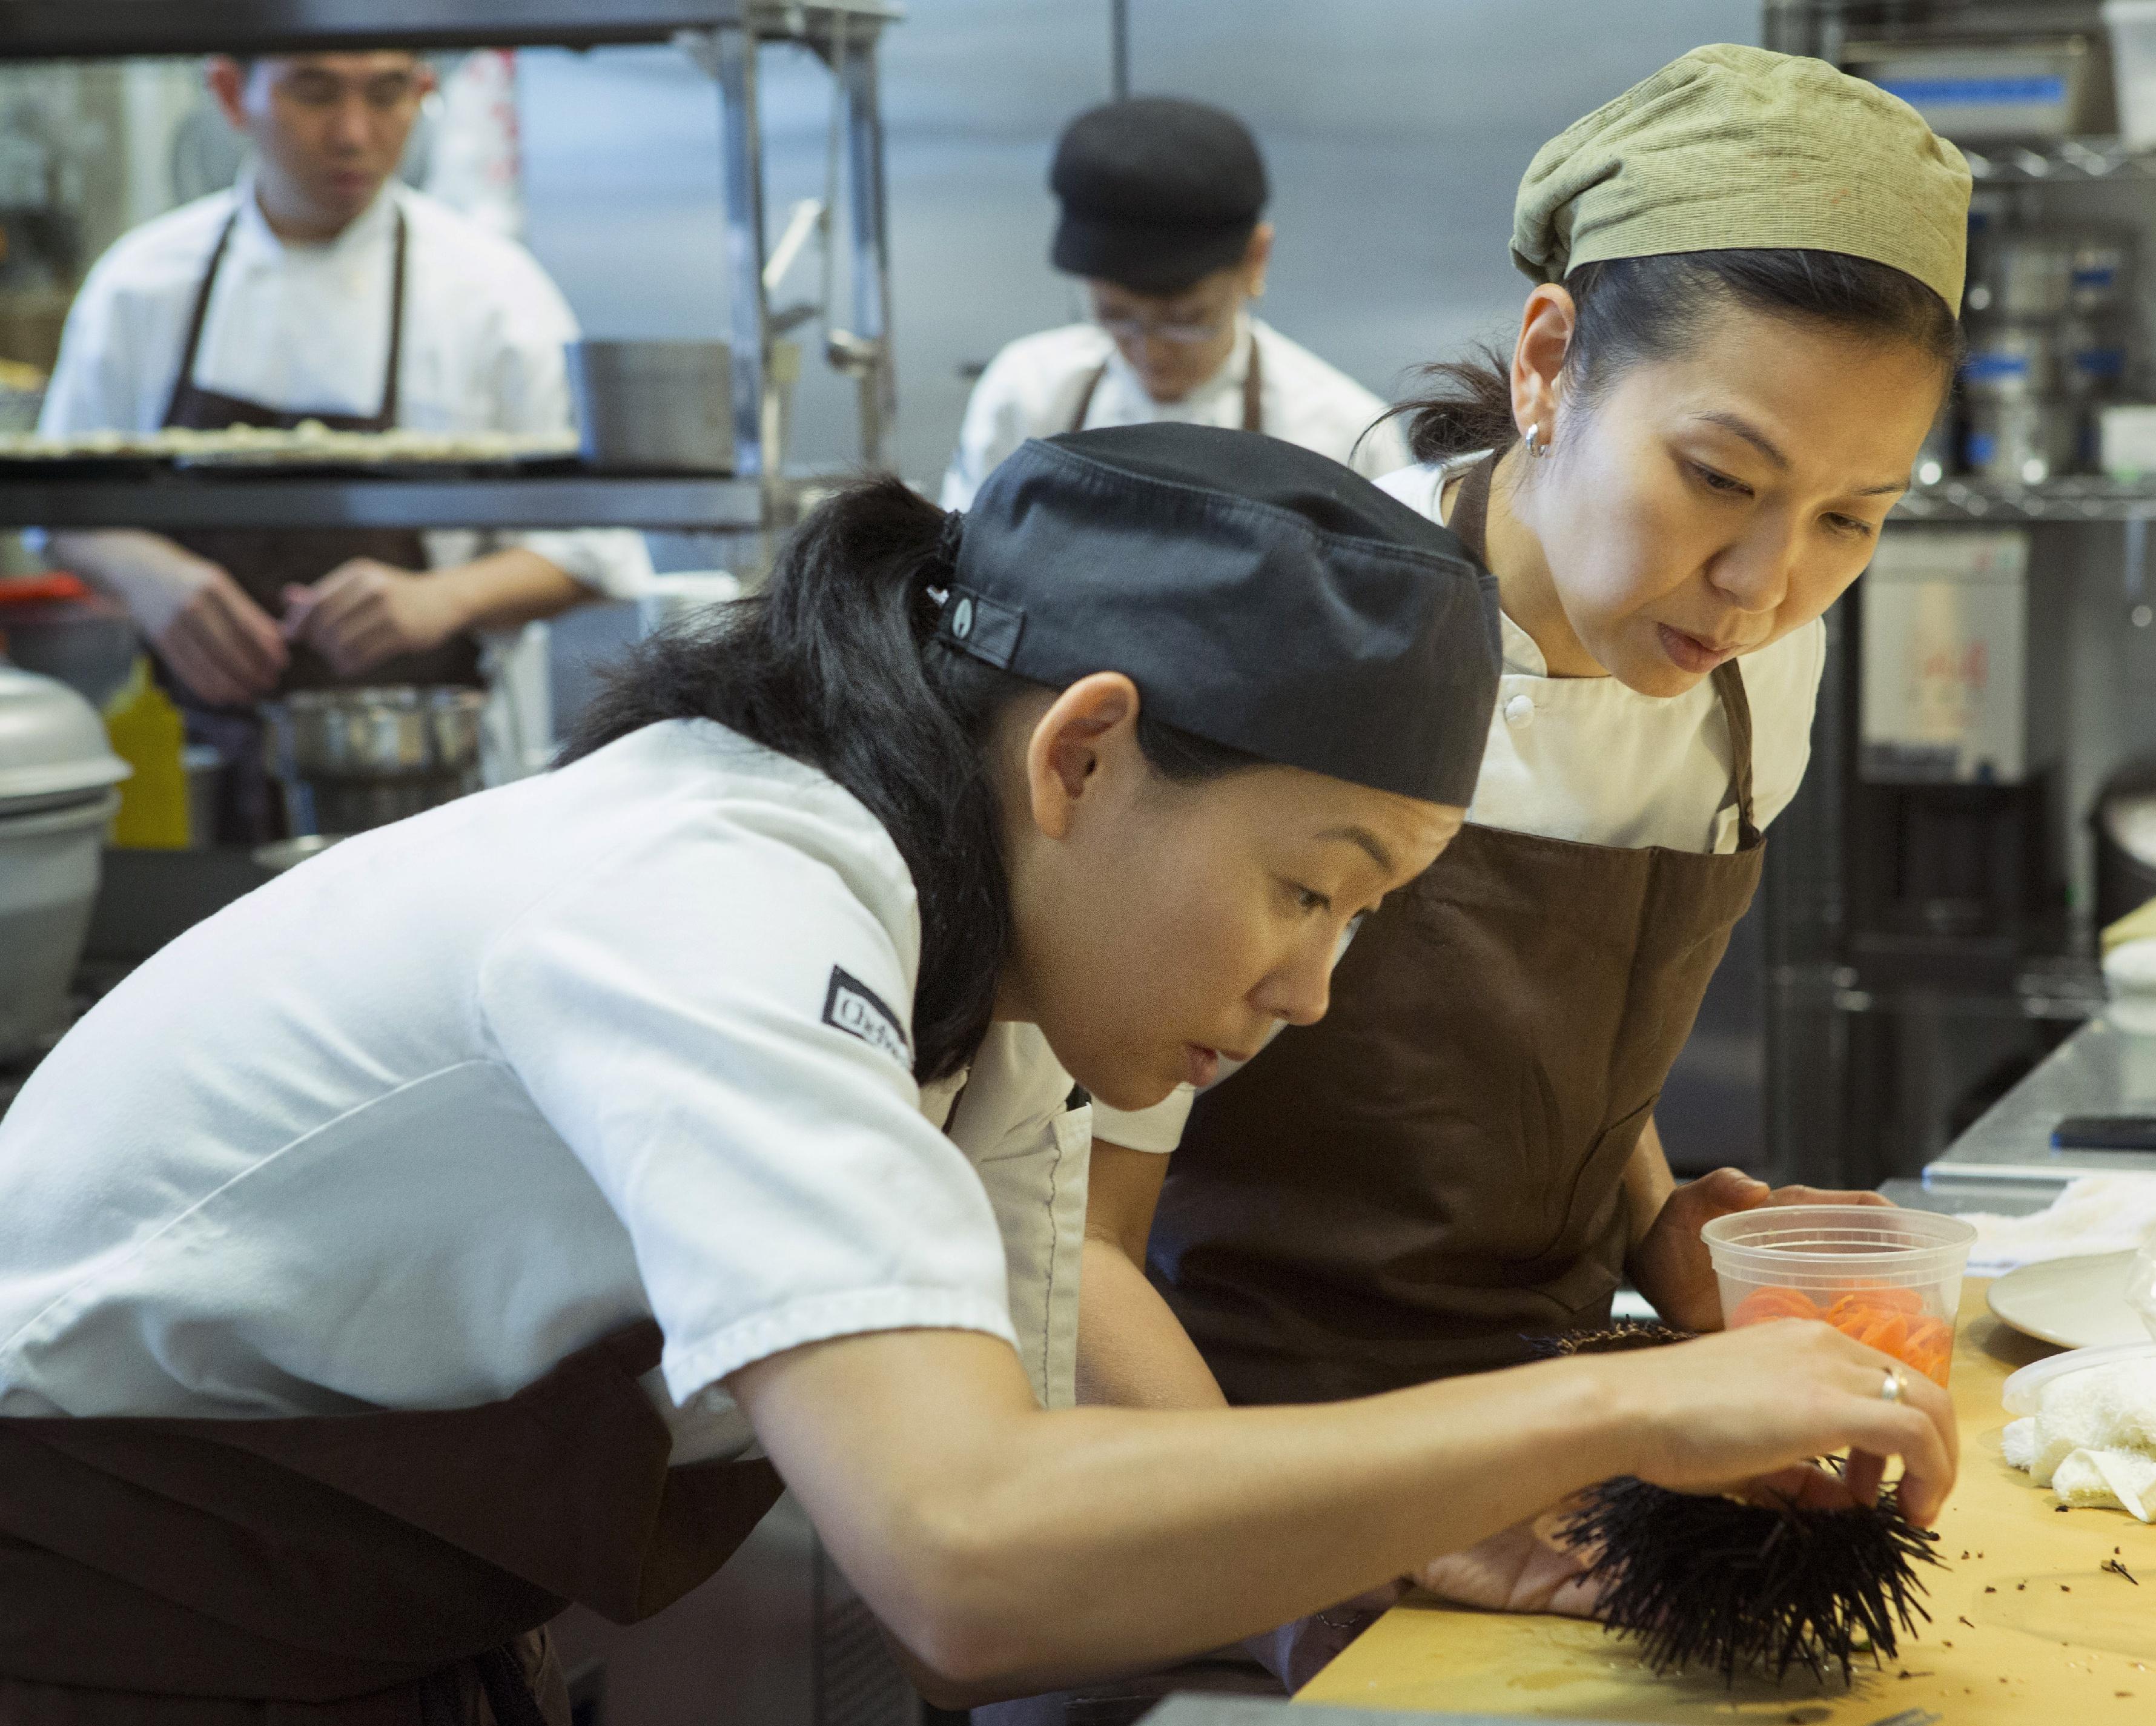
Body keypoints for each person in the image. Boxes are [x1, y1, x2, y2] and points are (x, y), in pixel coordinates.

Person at [0, 424, 1956, 1722]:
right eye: (1306, 891)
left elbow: (1057, 1478)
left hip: (351, 1645)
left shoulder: (985, 984)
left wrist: (1404, 1530)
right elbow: (965, 1554)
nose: (1310, 993)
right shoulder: (712, 905)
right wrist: (1604, 1421)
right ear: (1081, 753)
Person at [1072, 42, 1974, 1690]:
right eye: (1716, 478)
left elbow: (1544, 1045)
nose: (1766, 581)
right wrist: (1341, 1519)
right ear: (1549, 360)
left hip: (1543, 1469)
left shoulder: (1748, 663)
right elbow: (1061, 1232)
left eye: (1854, 516)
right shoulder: (1300, 645)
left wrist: (1655, 1232)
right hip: (1209, 1479)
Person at [36, 50, 650, 836]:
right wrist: (148, 572)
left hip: (436, 792)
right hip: (191, 786)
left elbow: (598, 549)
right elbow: (57, 507)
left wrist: (444, 598)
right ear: (231, 92)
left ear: (424, 91)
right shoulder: (142, 286)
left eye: (388, 93)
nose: (354, 134)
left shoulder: (494, 295)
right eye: (315, 92)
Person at [939, 97, 1409, 507]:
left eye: (1186, 321)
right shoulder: (1028, 394)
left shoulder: (1347, 436)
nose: (1151, 354)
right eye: (1116, 318)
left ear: (1254, 260)